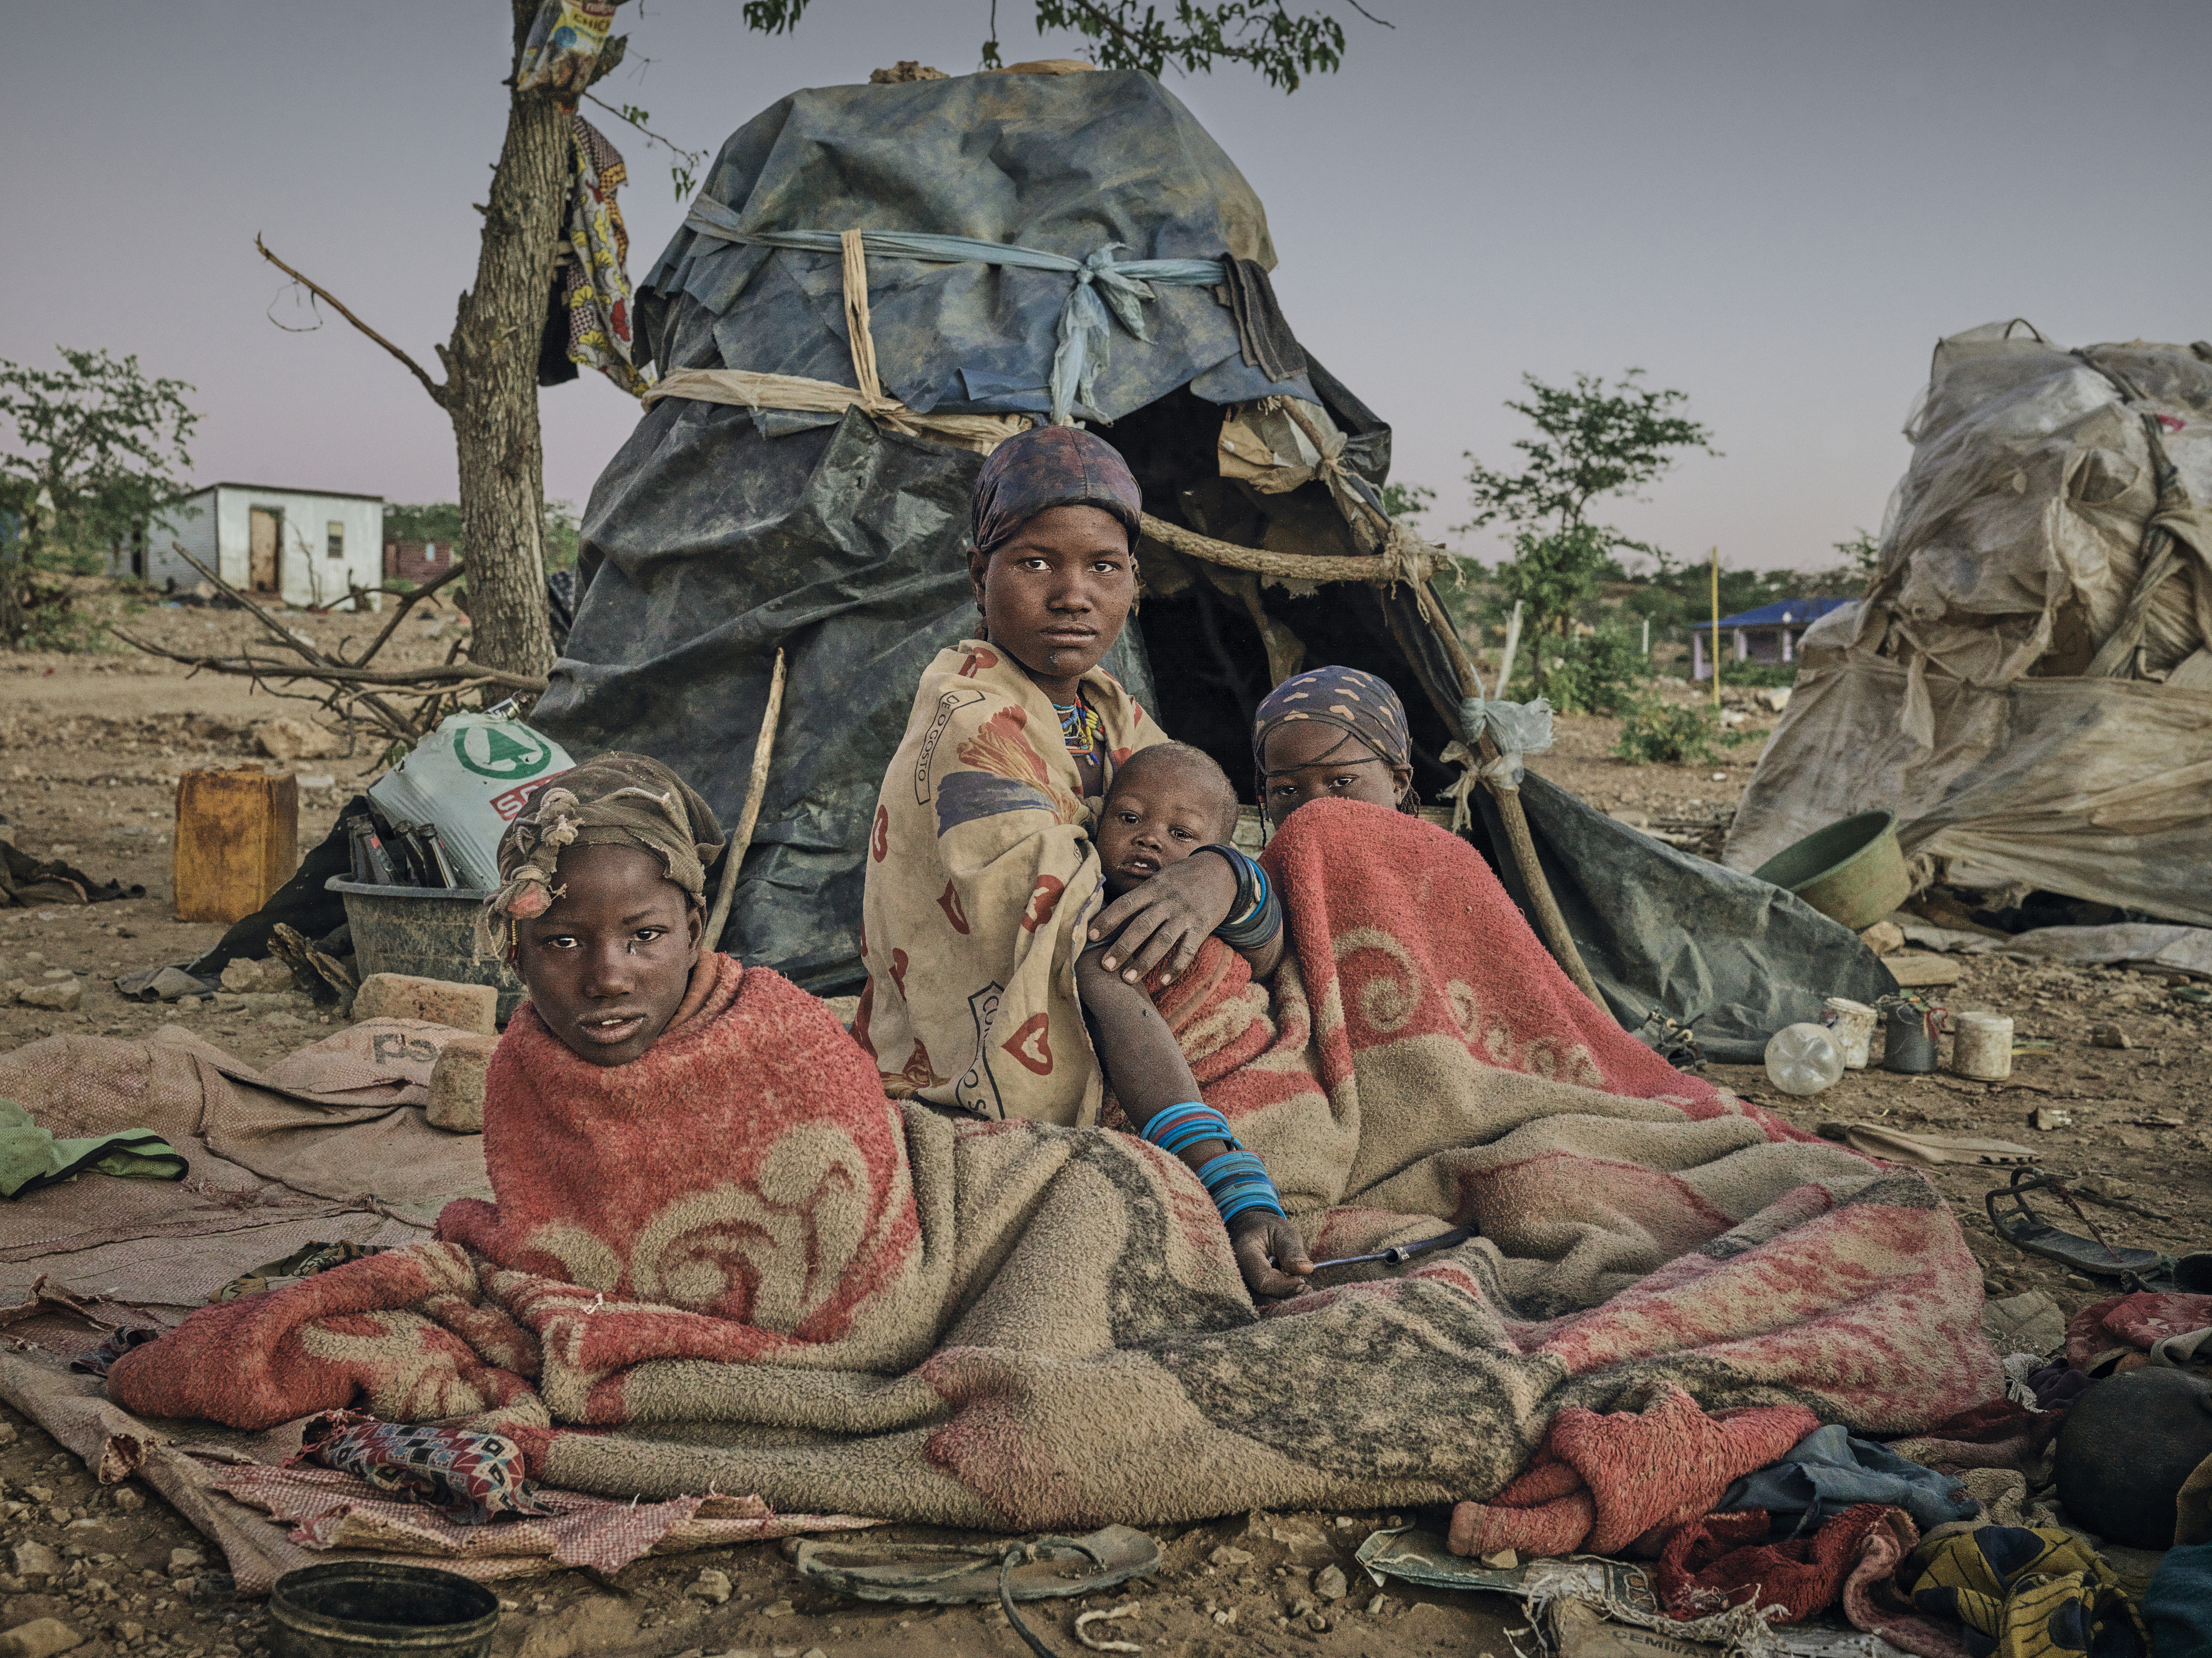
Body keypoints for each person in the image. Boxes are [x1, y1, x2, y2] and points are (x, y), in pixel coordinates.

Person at [858, 424, 1311, 1296]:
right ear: (976, 576)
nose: (1073, 594)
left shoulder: (1112, 715)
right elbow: (1097, 949)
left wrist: (1220, 875)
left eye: (1104, 566)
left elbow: (1208, 856)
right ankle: (1226, 1179)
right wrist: (1216, 880)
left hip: (1132, 1013)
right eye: (1035, 564)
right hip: (1000, 1045)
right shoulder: (971, 721)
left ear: (1135, 585)